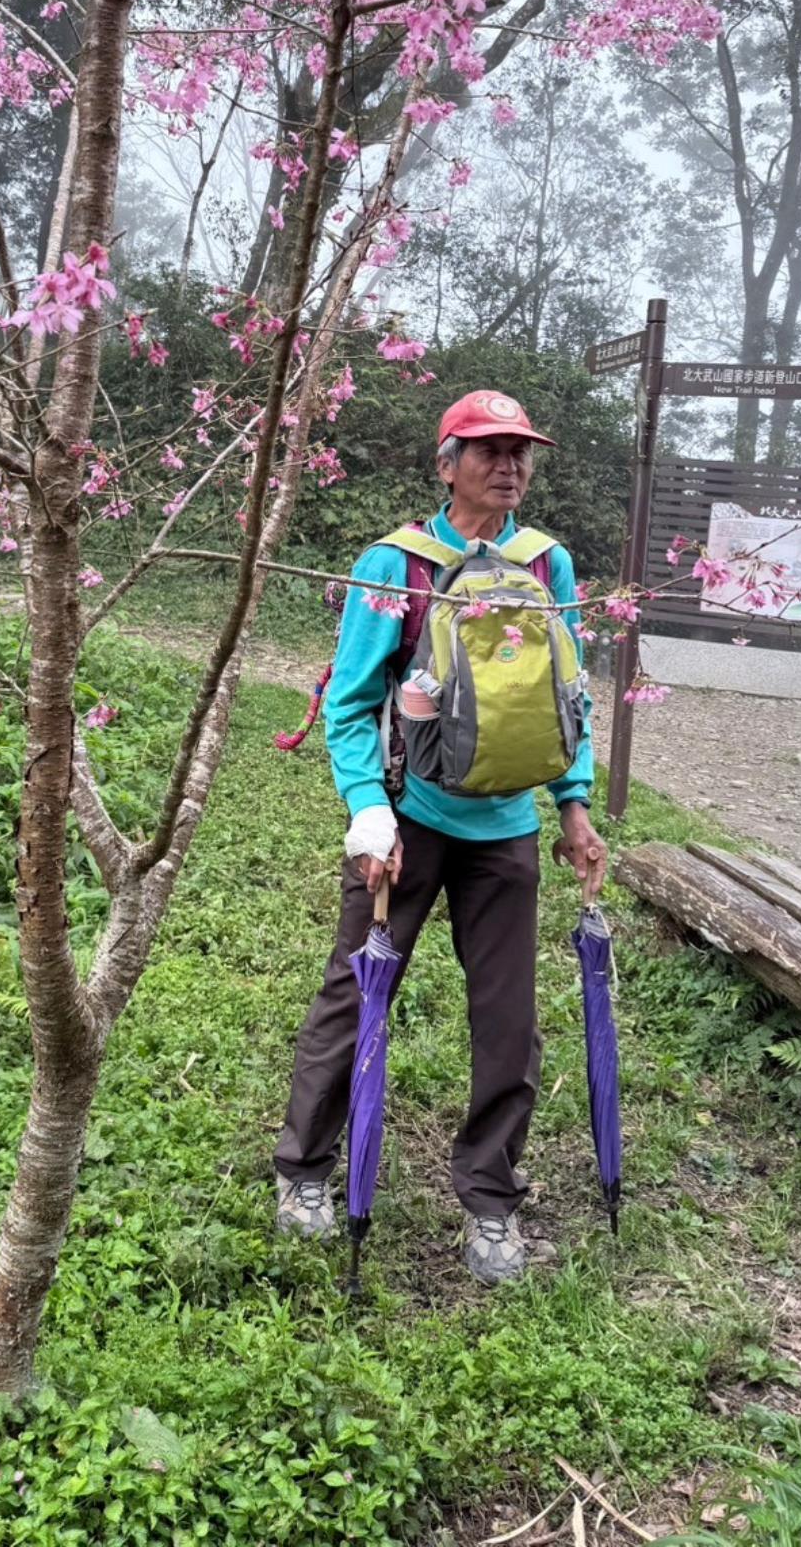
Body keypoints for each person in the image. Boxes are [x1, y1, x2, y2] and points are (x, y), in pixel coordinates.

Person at [273, 387, 606, 1284]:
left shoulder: (546, 565)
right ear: (446, 463)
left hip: (507, 829)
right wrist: (367, 811)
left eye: (520, 451)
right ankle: (304, 1170)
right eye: (488, 450)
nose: (509, 466)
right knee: (357, 994)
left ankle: (491, 1199)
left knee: (509, 1022)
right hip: (407, 822)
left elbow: (566, 698)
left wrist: (573, 805)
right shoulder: (397, 565)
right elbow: (351, 702)